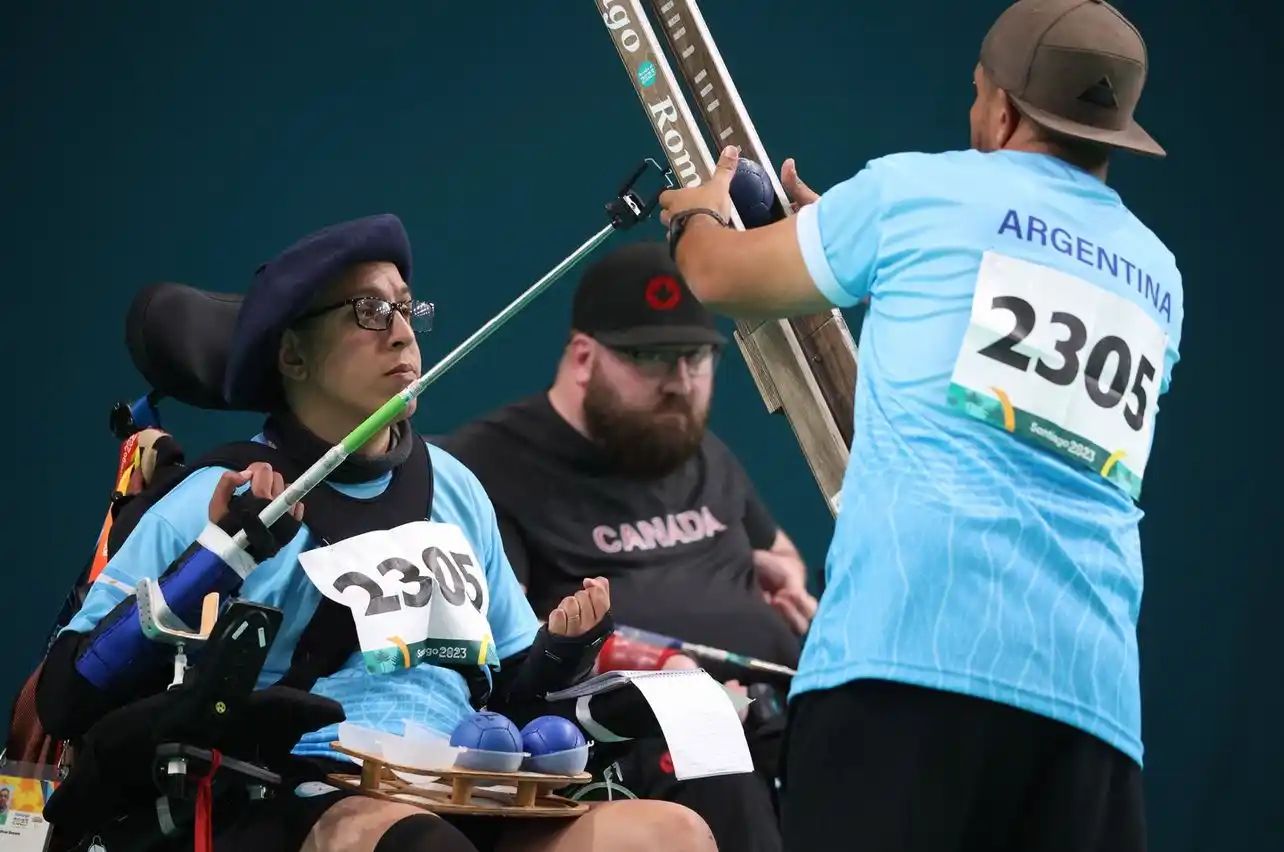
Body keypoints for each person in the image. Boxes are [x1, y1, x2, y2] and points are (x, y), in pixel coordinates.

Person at [654, 1, 1183, 850]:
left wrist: (699, 211)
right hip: (1091, 705)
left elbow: (718, 274)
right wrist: (856, 243)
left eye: (979, 95)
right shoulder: (1159, 277)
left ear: (1004, 109)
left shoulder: (915, 194)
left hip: (907, 671)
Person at [35, 215, 718, 852]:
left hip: (473, 789)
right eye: (368, 312)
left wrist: (565, 650)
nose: (401, 332)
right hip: (306, 797)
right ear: (293, 357)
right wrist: (218, 556)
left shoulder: (454, 486)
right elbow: (67, 697)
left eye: (404, 306)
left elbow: (514, 692)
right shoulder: (216, 497)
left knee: (673, 834)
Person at [438, 241, 815, 852]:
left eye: (696, 357)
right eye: (650, 358)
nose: (681, 383)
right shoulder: (488, 469)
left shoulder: (695, 449)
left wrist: (785, 582)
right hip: (638, 746)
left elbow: (784, 558)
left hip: (782, 720)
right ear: (584, 358)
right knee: (709, 745)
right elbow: (509, 661)